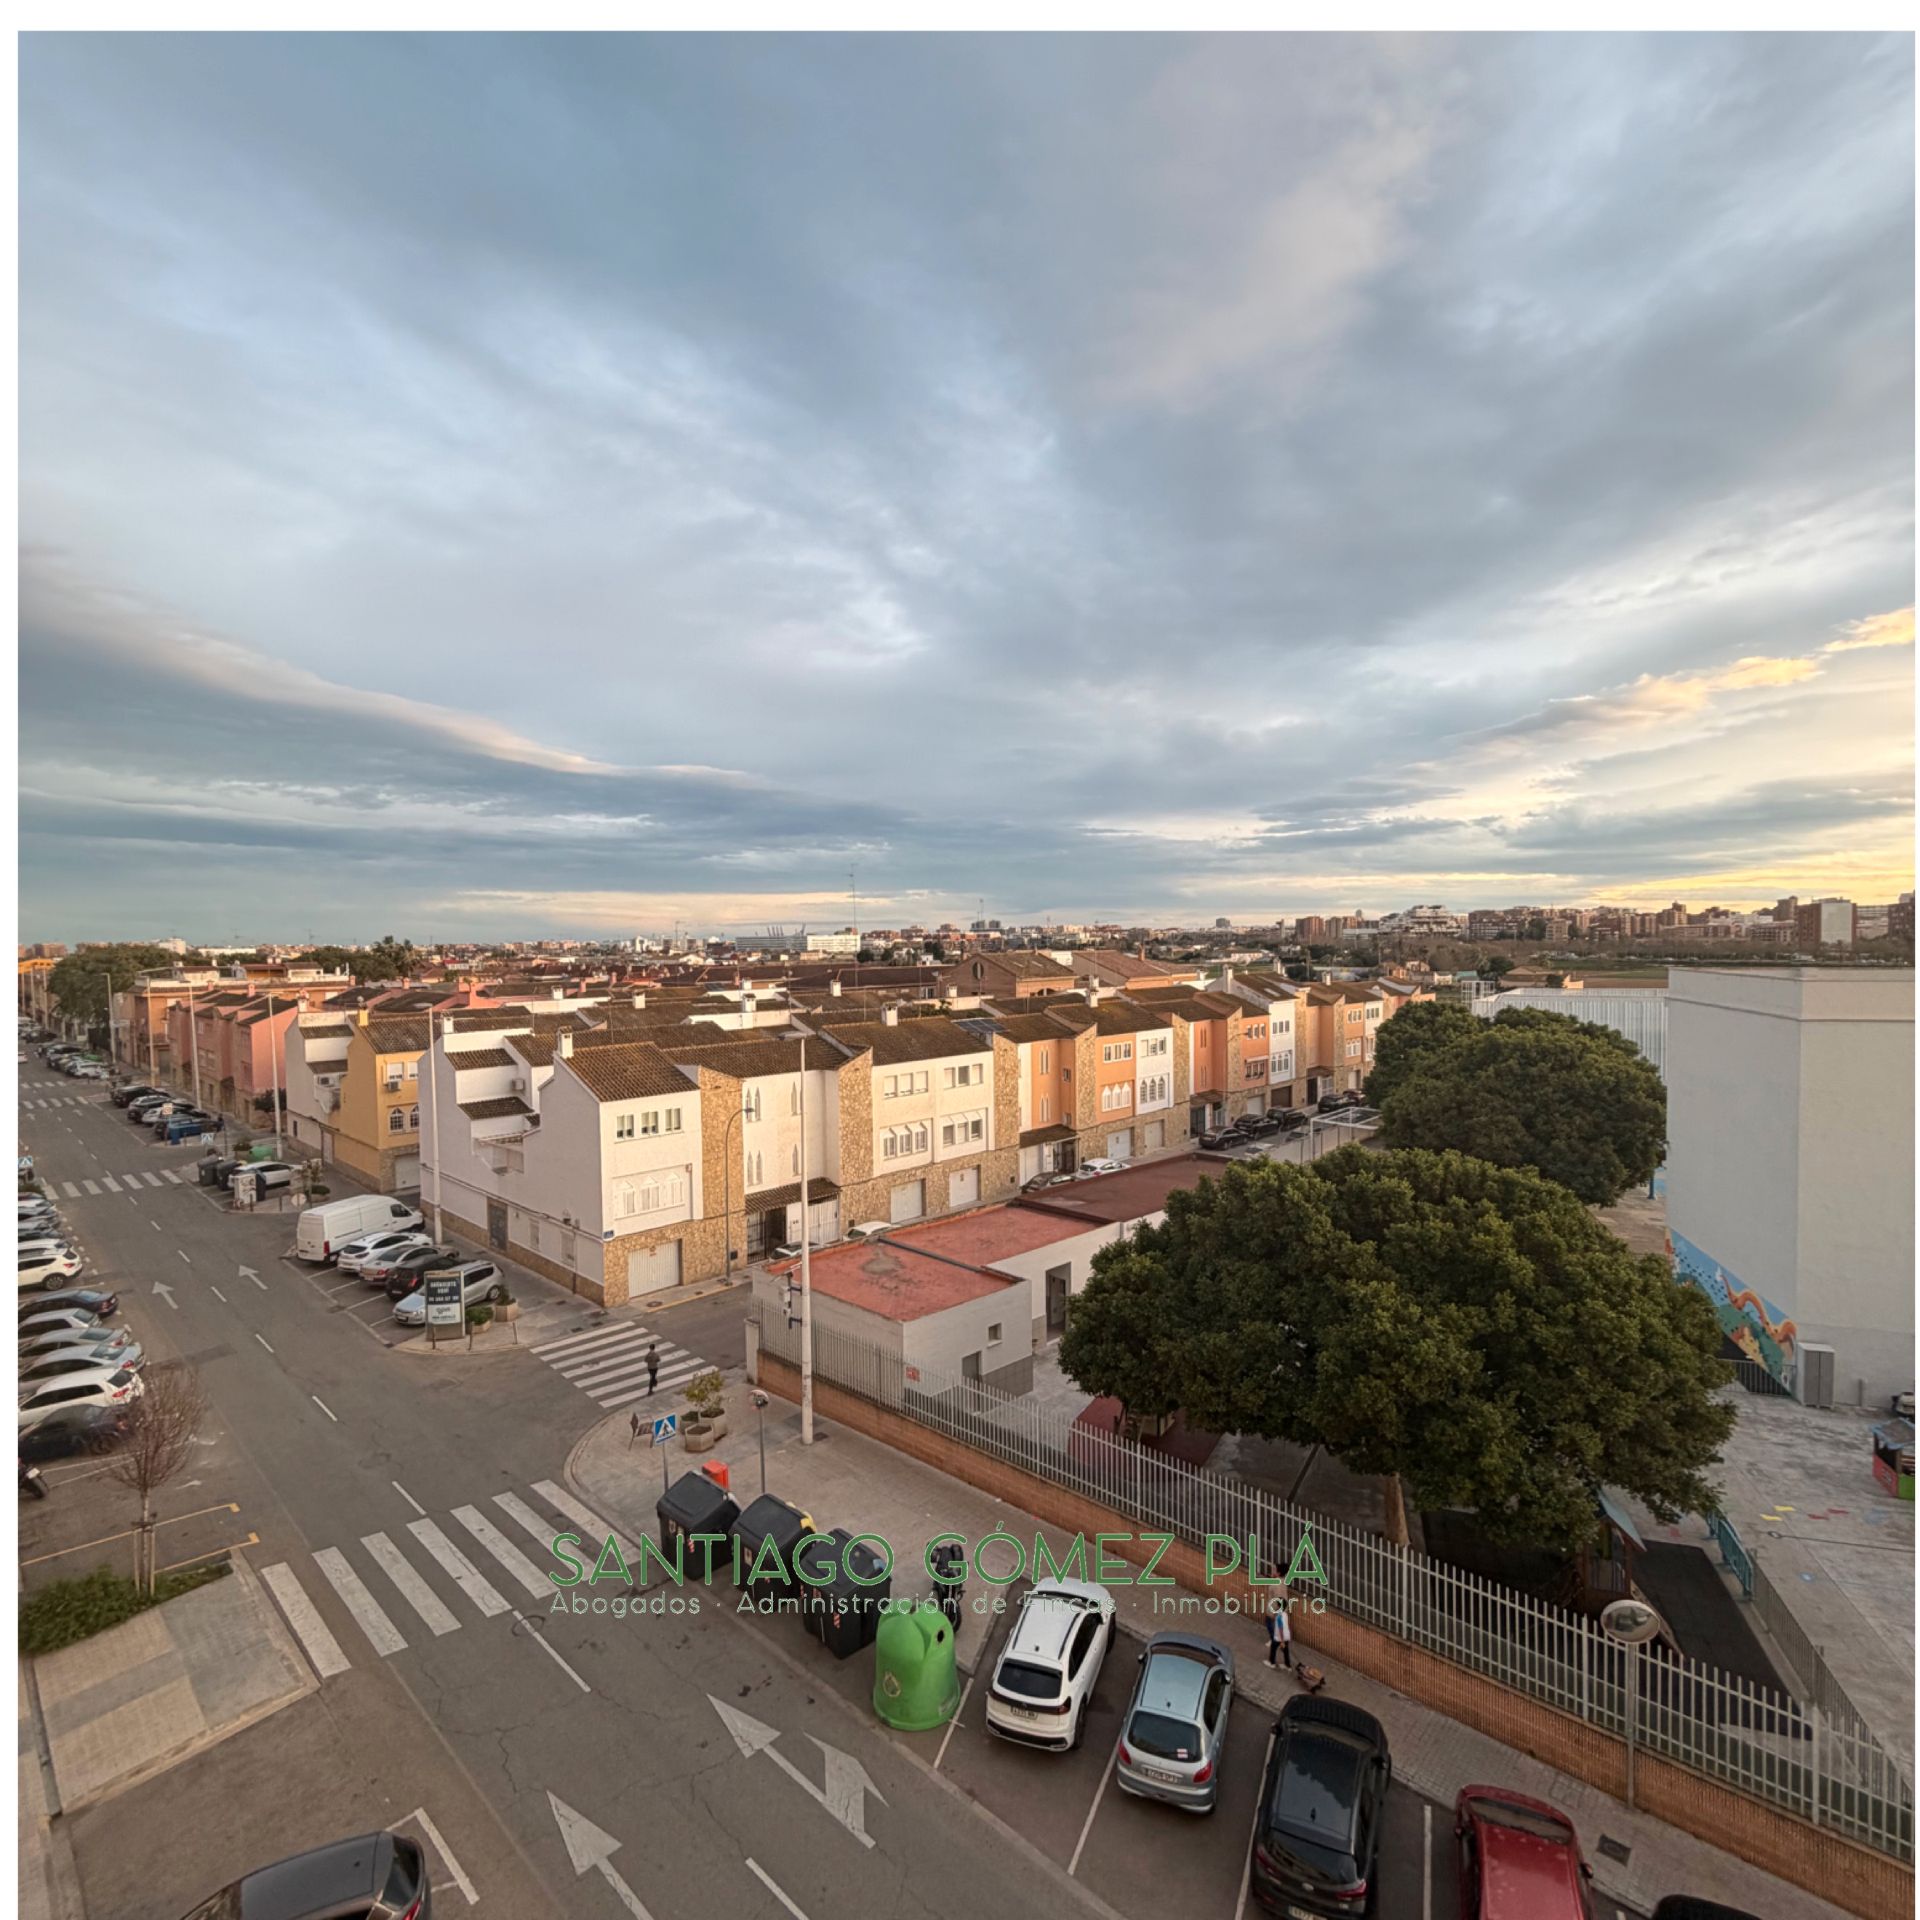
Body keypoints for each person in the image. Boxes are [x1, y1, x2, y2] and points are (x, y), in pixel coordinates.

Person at [1265, 1586, 1293, 1670]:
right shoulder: (1285, 1614)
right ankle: (1288, 1665)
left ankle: (1272, 1662)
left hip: (1279, 1637)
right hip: (1286, 1636)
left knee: (1273, 1648)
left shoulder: (1279, 1617)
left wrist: (1281, 1640)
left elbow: (1280, 1629)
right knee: (1286, 1650)